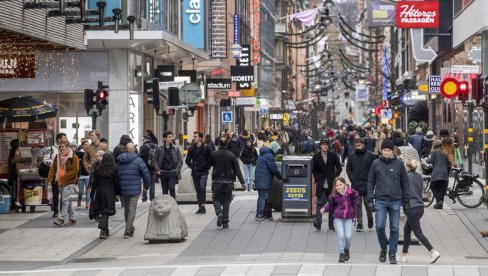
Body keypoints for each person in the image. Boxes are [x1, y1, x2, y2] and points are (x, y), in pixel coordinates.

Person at [367, 140, 410, 264]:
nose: (386, 152)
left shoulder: (399, 164)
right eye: (384, 150)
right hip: (380, 199)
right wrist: (370, 198)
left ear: (392, 151)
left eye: (389, 150)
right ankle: (383, 248)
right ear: (381, 151)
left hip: (395, 200)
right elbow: (370, 181)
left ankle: (392, 253)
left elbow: (405, 183)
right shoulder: (375, 163)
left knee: (394, 228)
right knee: (379, 226)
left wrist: (406, 201)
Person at [397, 160, 441, 264]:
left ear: (407, 167)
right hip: (420, 207)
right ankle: (403, 255)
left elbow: (403, 190)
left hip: (411, 207)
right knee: (407, 230)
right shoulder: (419, 177)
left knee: (418, 232)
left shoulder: (406, 177)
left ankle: (433, 251)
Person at [116, 143, 152, 238]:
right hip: (135, 189)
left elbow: (116, 174)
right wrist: (146, 186)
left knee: (127, 209)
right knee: (132, 210)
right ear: (133, 149)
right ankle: (127, 231)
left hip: (123, 189)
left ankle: (130, 227)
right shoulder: (138, 160)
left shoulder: (119, 160)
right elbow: (146, 174)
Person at [209, 137, 245, 229]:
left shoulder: (214, 154)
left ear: (219, 144)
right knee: (226, 202)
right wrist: (242, 182)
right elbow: (237, 170)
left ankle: (219, 211)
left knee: (215, 198)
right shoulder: (231, 155)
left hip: (217, 181)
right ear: (227, 145)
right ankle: (225, 222)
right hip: (229, 182)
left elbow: (208, 165)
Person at [320, 177, 359, 262]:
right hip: (338, 217)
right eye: (337, 185)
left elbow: (356, 195)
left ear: (345, 184)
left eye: (340, 185)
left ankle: (346, 249)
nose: (339, 187)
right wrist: (324, 209)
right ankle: (341, 254)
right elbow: (329, 204)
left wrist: (354, 207)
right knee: (341, 236)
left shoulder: (350, 192)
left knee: (348, 237)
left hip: (348, 217)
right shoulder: (334, 195)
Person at [312, 138, 342, 231]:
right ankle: (318, 222)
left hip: (331, 183)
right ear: (320, 146)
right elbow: (313, 170)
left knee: (332, 203)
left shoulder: (333, 155)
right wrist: (318, 178)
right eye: (324, 144)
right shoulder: (316, 156)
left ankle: (330, 224)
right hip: (321, 183)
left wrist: (335, 177)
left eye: (327, 144)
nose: (326, 146)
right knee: (320, 203)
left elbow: (339, 168)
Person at [47, 140, 80, 226]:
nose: (61, 149)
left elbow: (76, 170)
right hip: (60, 181)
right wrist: (49, 178)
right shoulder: (58, 156)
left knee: (64, 200)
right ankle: (73, 218)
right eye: (60, 147)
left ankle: (61, 219)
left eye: (63, 147)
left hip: (69, 181)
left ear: (68, 147)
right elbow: (53, 168)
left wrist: (64, 177)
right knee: (67, 200)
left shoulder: (74, 157)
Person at [346, 138, 375, 231]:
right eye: (356, 145)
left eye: (359, 145)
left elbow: (373, 168)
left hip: (367, 183)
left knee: (368, 204)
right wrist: (352, 178)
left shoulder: (370, 155)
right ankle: (360, 223)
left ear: (363, 145)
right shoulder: (352, 156)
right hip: (356, 183)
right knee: (357, 204)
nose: (357, 146)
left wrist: (371, 180)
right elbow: (348, 168)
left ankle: (370, 217)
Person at [90, 152, 120, 239]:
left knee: (103, 210)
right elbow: (116, 183)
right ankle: (103, 229)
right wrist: (118, 193)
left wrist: (92, 194)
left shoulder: (98, 169)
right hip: (110, 193)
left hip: (100, 192)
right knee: (106, 211)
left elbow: (94, 183)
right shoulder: (114, 169)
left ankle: (105, 230)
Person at [185, 131, 212, 214]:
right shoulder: (191, 148)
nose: (194, 138)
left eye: (196, 136)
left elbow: (210, 159)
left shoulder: (207, 148)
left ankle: (203, 206)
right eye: (194, 136)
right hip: (195, 172)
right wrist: (192, 166)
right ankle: (200, 206)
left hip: (204, 171)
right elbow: (187, 160)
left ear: (200, 138)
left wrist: (206, 166)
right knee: (197, 190)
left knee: (202, 188)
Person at [254, 141, 282, 220]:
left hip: (259, 179)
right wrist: (280, 176)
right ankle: (259, 215)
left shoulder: (262, 155)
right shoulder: (269, 156)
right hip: (264, 180)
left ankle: (259, 214)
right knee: (263, 197)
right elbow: (273, 169)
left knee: (261, 196)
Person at [154, 131, 183, 198]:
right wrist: (157, 169)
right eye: (169, 137)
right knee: (165, 191)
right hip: (163, 173)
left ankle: (173, 205)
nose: (171, 138)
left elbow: (180, 161)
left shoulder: (175, 148)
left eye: (172, 137)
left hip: (172, 172)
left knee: (172, 188)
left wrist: (177, 171)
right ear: (165, 138)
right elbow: (154, 160)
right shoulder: (160, 148)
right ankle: (166, 206)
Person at [49, 133, 69, 217]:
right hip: (55, 175)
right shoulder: (52, 149)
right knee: (55, 194)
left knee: (64, 194)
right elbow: (46, 160)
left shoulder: (68, 148)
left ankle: (62, 211)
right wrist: (53, 164)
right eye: (64, 137)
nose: (66, 139)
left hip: (64, 175)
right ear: (59, 140)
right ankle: (55, 211)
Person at [426, 140, 450, 209]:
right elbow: (448, 163)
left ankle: (439, 201)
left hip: (437, 172)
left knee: (433, 186)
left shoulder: (434, 152)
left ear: (435, 145)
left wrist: (427, 160)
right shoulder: (445, 152)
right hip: (444, 173)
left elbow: (430, 161)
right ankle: (440, 204)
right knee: (442, 189)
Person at [139, 135, 157, 202]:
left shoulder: (143, 147)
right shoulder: (156, 146)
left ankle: (144, 198)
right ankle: (152, 198)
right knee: (152, 183)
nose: (143, 140)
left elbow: (140, 157)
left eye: (143, 139)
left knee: (145, 182)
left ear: (146, 139)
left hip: (145, 168)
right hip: (153, 167)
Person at [75, 139, 90, 210]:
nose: (87, 146)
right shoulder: (78, 153)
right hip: (80, 175)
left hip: (88, 174)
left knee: (88, 190)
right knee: (81, 191)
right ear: (82, 146)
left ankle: (87, 203)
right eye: (86, 145)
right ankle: (79, 201)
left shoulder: (90, 153)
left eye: (88, 145)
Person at [7, 139, 20, 211]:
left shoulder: (12, 150)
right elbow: (13, 160)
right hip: (13, 172)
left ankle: (13, 203)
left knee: (14, 188)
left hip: (12, 172)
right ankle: (12, 204)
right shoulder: (14, 150)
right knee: (14, 188)